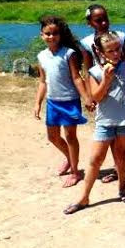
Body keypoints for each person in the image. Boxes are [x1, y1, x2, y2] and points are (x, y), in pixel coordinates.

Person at [63, 32, 125, 214]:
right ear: (101, 52)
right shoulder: (95, 71)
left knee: (121, 155)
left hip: (124, 119)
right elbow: (96, 97)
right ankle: (84, 197)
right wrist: (106, 79)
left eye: (118, 49)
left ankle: (122, 187)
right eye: (110, 51)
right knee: (95, 159)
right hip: (105, 121)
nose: (115, 53)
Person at [34, 15, 93, 188]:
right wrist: (38, 103)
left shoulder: (69, 53)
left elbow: (77, 78)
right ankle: (69, 158)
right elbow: (42, 82)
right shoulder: (41, 56)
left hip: (69, 101)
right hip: (52, 101)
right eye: (47, 33)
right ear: (41, 35)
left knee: (70, 136)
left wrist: (87, 98)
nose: (51, 37)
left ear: (60, 34)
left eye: (55, 33)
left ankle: (75, 172)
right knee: (52, 136)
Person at [79, 4, 125, 185]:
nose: (103, 23)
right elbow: (86, 70)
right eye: (98, 20)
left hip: (120, 87)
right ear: (89, 23)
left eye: (105, 18)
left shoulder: (119, 37)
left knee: (121, 136)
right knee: (107, 130)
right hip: (99, 84)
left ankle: (119, 171)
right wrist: (87, 96)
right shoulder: (86, 42)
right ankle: (116, 170)